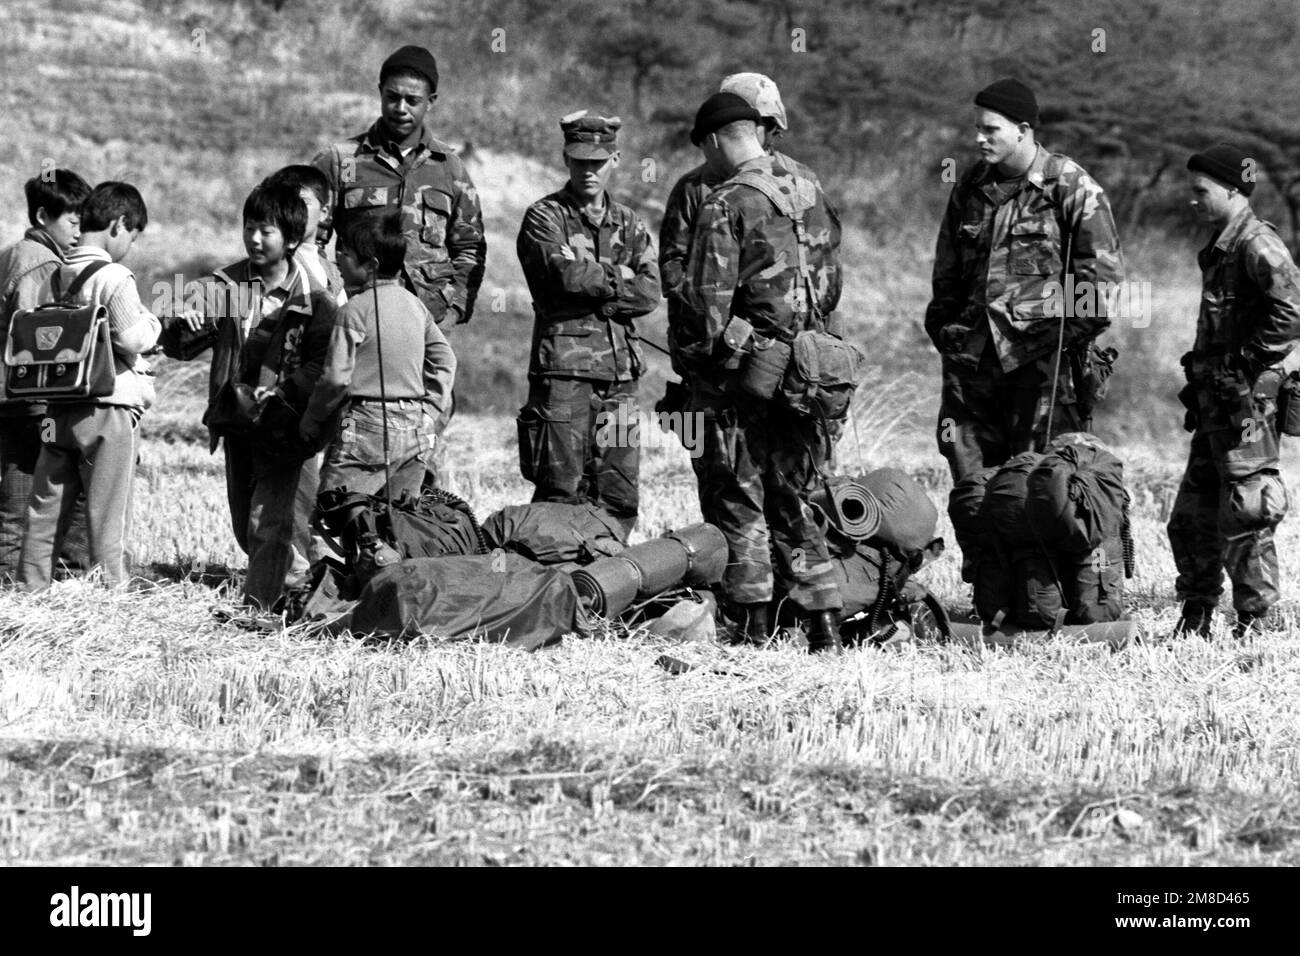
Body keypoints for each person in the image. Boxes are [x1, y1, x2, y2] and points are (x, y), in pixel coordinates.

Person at [677, 93, 845, 652]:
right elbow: (832, 284)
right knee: (799, 497)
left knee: (737, 496)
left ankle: (751, 626)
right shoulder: (809, 188)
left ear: (716, 140)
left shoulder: (724, 201)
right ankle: (822, 621)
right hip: (808, 371)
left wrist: (696, 362)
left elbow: (706, 308)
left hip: (743, 380)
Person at [925, 78, 1124, 482]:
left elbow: (1102, 290)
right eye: (977, 128)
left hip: (1043, 375)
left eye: (990, 129)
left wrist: (1052, 345)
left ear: (1023, 129)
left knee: (1043, 491)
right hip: (972, 369)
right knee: (974, 493)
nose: (979, 138)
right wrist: (948, 333)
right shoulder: (971, 186)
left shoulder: (1069, 187)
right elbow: (946, 274)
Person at [160, 179, 335, 609]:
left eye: (267, 231)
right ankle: (288, 587)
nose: (254, 239)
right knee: (246, 523)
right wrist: (181, 321)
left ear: (292, 238)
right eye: (249, 227)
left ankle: (272, 604)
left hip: (286, 427)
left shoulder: (314, 296)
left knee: (277, 520)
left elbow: (326, 360)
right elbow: (178, 342)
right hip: (238, 421)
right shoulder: (223, 286)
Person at [1168, 143, 1300, 640]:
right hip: (1214, 406)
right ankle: (1197, 612)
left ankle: (1255, 624)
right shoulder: (1223, 244)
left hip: (1245, 408)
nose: (1193, 200)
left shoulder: (1256, 244)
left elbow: (1293, 311)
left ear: (1230, 190)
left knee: (1246, 513)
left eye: (1200, 191)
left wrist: (1247, 361)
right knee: (1191, 517)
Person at [514, 111, 661, 540]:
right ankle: (550, 586)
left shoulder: (630, 223)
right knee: (560, 488)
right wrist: (620, 278)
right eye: (580, 161)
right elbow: (564, 276)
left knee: (618, 491)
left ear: (615, 159)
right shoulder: (545, 217)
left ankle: (607, 582)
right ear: (565, 158)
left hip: (620, 377)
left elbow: (651, 292)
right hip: (564, 374)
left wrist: (594, 278)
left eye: (598, 161)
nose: (588, 170)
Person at [18, 182, 161, 590]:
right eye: (132, 235)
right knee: (107, 512)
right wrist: (154, 324)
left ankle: (30, 588)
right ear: (118, 225)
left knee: (45, 510)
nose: (130, 246)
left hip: (59, 407)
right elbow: (132, 338)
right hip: (108, 405)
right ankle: (113, 592)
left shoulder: (56, 275)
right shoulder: (113, 276)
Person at [311, 45, 485, 327]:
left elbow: (469, 247)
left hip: (428, 323)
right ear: (380, 91)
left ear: (431, 101)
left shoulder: (449, 167)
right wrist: (332, 297)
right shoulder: (342, 161)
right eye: (392, 97)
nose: (401, 108)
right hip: (357, 319)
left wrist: (453, 312)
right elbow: (310, 241)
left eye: (412, 100)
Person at [659, 73, 814, 380]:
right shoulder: (695, 188)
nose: (765, 134)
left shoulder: (801, 179)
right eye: (760, 123)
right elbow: (673, 264)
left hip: (793, 354)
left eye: (771, 127)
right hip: (722, 354)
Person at [300, 212, 456, 498]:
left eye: (344, 254)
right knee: (396, 523)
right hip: (416, 427)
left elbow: (335, 378)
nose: (338, 261)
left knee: (331, 517)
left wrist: (312, 419)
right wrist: (431, 410)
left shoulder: (353, 311)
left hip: (362, 423)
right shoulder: (415, 306)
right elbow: (446, 360)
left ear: (370, 265)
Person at [0, 169, 92, 578]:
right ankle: (67, 576)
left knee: (13, 500)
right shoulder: (44, 265)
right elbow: (41, 337)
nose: (79, 231)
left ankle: (8, 581)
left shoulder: (9, 254)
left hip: (7, 403)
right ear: (42, 216)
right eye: (72, 221)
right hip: (38, 407)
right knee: (69, 481)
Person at [265, 164, 346, 305]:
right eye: (285, 203)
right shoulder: (264, 267)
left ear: (324, 212)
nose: (294, 211)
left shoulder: (334, 276)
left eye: (304, 202)